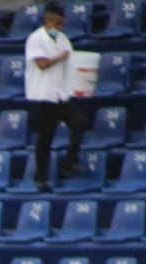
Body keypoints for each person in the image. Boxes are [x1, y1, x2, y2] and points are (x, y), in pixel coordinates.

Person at [24, 4, 88, 192]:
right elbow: (42, 64)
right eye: (57, 24)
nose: (59, 28)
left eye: (62, 24)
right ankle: (40, 178)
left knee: (79, 123)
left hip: (60, 94)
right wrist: (59, 57)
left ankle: (69, 163)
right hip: (43, 96)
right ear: (48, 21)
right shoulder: (36, 39)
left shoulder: (63, 39)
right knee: (46, 138)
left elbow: (71, 59)